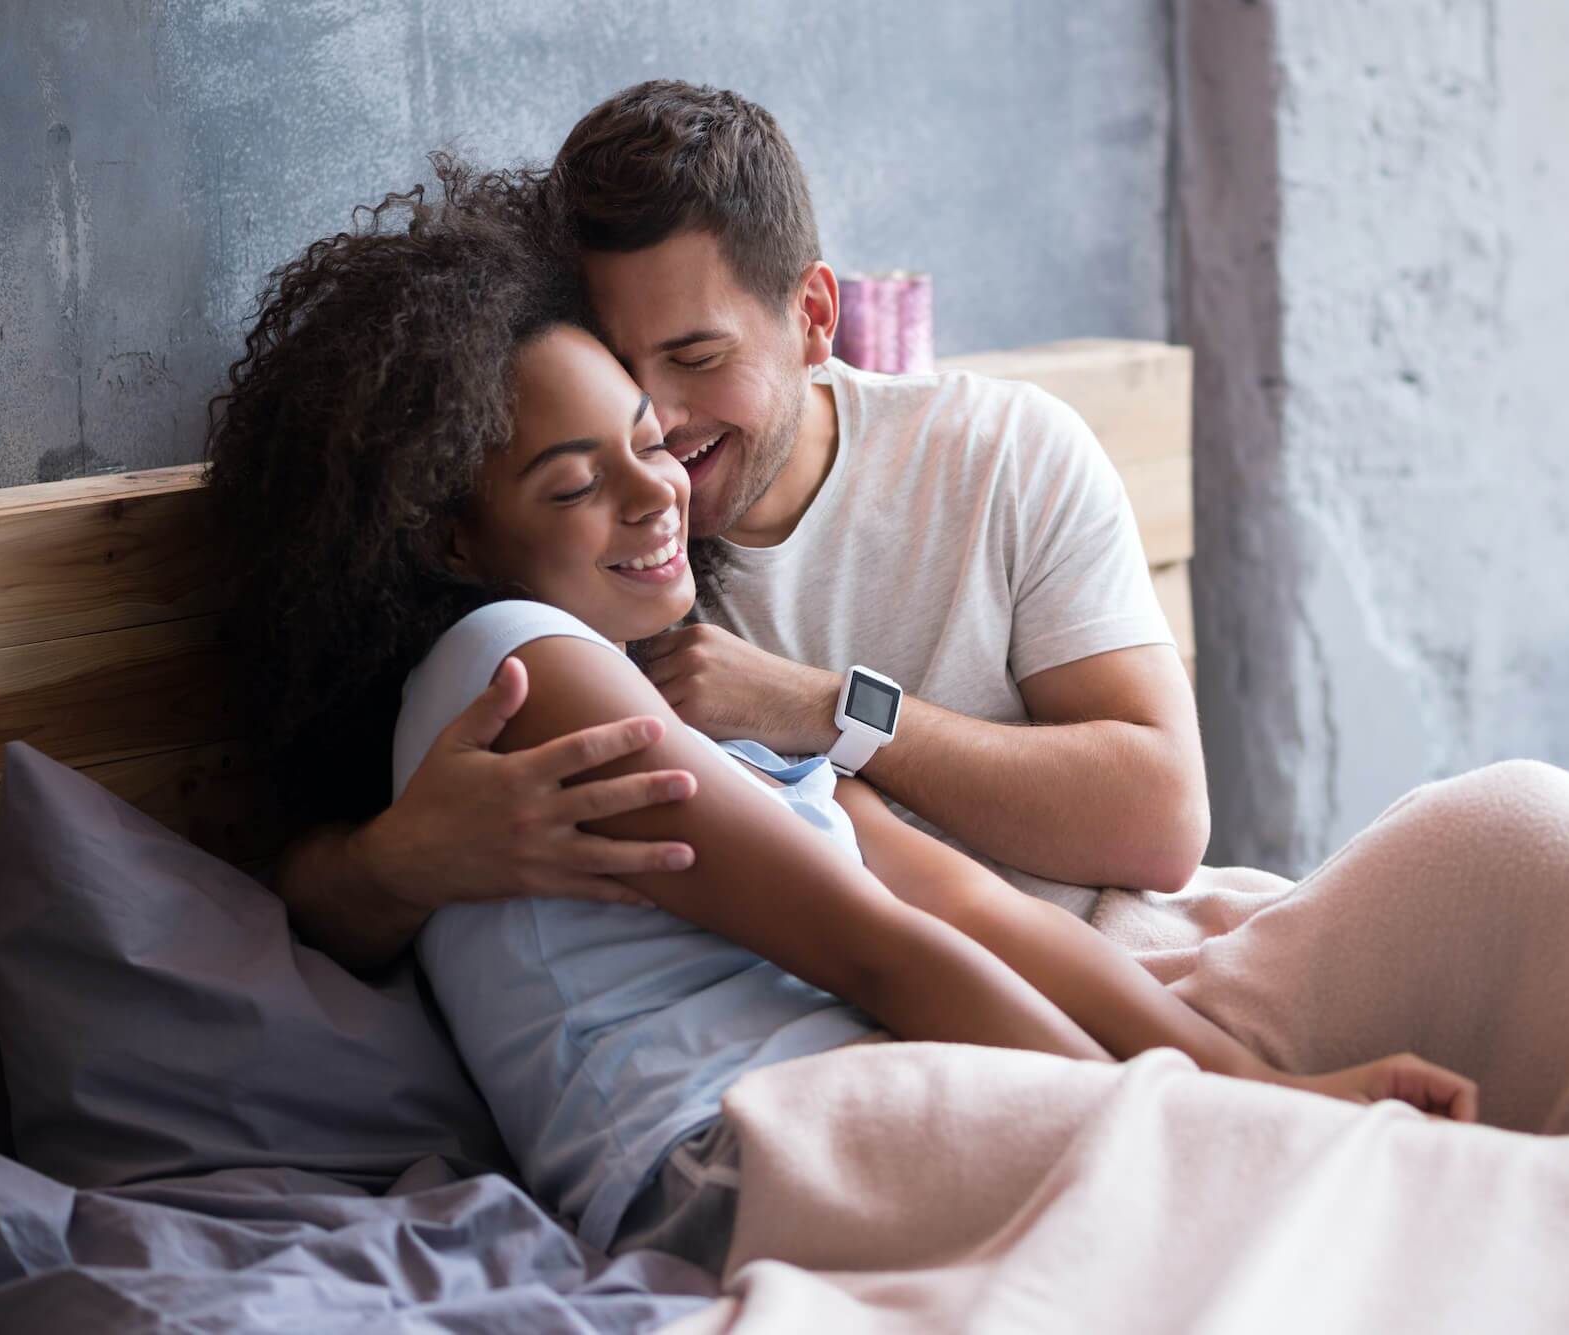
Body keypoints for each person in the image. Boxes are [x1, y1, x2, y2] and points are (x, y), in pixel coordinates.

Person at [202, 155, 1475, 1274]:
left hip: (872, 1096)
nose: (660, 492)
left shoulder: (707, 681)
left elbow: (966, 909)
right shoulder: (517, 665)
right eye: (576, 482)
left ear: (812, 317)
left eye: (652, 428)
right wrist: (1216, 1143)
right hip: (742, 1146)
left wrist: (1272, 1097)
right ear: (454, 536)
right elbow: (876, 948)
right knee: (1349, 1241)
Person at [261, 81, 1208, 974]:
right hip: (892, 1028)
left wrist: (820, 708)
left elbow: (1163, 822)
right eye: (620, 370)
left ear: (813, 316)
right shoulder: (567, 557)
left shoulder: (1002, 448)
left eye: (697, 357)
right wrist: (406, 862)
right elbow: (311, 885)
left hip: (1132, 947)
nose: (659, 422)